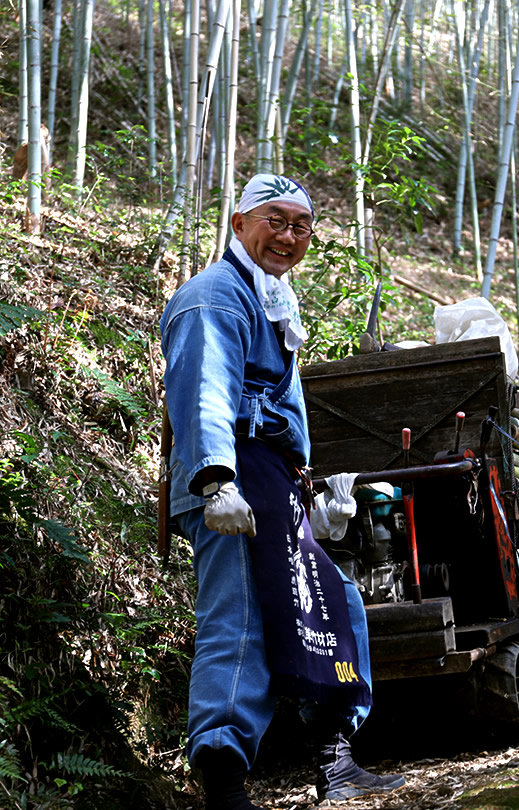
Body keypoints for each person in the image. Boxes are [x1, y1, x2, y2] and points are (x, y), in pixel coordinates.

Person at [160, 173, 405, 809]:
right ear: (239, 223)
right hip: (230, 483)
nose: (288, 236)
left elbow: (282, 408)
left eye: (301, 226)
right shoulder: (214, 297)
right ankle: (223, 782)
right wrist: (216, 481)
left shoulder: (272, 296)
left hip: (272, 484)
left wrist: (310, 488)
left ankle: (336, 756)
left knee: (335, 603)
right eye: (276, 220)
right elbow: (205, 393)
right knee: (238, 623)